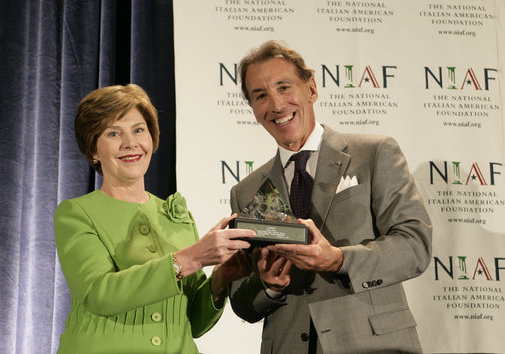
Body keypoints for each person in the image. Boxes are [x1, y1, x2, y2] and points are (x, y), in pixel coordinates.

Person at [229, 40, 433, 353]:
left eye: (284, 87)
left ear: (311, 88)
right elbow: (243, 303)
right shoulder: (246, 191)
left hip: (372, 345)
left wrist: (338, 259)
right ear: (254, 110)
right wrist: (268, 286)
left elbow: (414, 245)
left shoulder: (374, 153)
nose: (276, 104)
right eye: (260, 95)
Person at [54, 84, 254, 353]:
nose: (130, 143)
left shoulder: (176, 215)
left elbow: (193, 323)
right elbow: (98, 294)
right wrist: (191, 258)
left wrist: (220, 278)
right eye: (114, 133)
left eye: (139, 130)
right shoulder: (76, 213)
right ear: (92, 149)